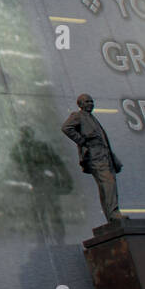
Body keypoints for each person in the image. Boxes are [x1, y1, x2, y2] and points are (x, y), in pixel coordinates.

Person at [61, 94, 122, 224]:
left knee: (109, 185)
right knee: (108, 183)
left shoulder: (92, 118)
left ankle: (112, 215)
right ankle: (114, 213)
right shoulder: (78, 116)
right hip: (95, 155)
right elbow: (66, 128)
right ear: (80, 104)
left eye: (91, 101)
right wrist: (82, 141)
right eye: (87, 101)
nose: (90, 104)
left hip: (104, 155)